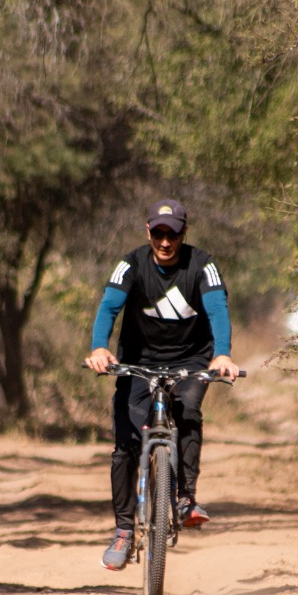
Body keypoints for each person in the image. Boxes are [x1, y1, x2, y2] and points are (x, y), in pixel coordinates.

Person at [84, 199, 238, 570]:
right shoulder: (132, 264)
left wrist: (223, 354)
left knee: (188, 410)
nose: (165, 242)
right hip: (138, 362)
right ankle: (123, 530)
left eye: (173, 234)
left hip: (191, 360)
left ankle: (185, 498)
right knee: (125, 445)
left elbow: (217, 309)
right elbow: (108, 308)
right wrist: (100, 348)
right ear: (147, 231)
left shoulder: (202, 264)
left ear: (184, 233)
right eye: (158, 233)